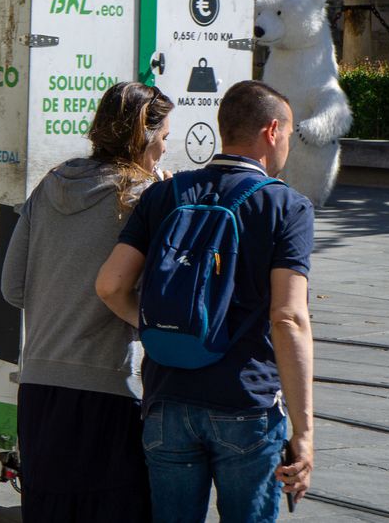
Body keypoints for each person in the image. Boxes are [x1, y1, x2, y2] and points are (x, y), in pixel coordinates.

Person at [96, 80, 316, 523]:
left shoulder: (164, 194)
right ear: (272, 130)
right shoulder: (286, 206)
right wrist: (304, 431)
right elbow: (288, 318)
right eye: (290, 135)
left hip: (167, 399)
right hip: (245, 401)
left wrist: (159, 326)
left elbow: (110, 286)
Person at [2, 81, 174, 522]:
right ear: (143, 137)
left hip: (39, 388)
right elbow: (159, 295)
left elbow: (12, 288)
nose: (164, 150)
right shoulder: (143, 198)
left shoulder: (50, 184)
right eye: (164, 138)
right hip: (109, 388)